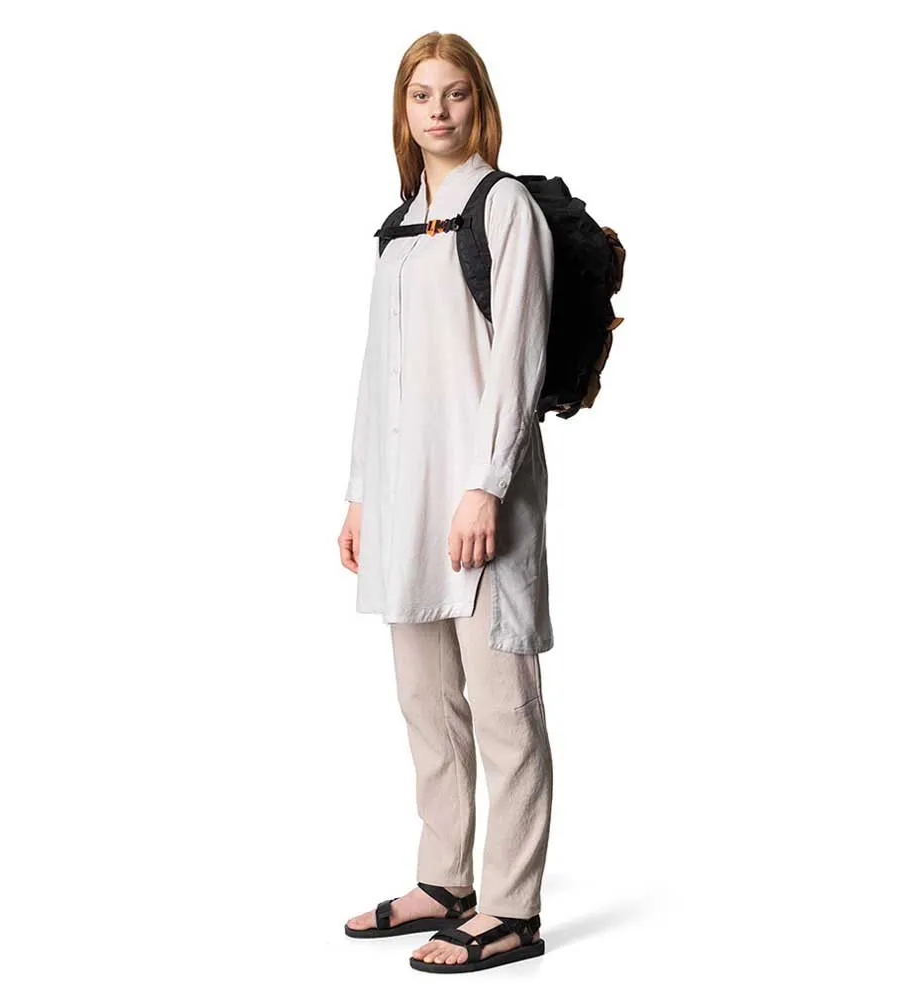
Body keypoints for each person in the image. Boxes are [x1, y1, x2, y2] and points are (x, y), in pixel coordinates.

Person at [338, 32, 555, 974]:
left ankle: (510, 907)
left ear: (479, 104)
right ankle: (446, 880)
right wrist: (359, 496)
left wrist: (487, 484)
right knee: (427, 704)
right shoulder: (397, 229)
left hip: (478, 505)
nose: (438, 110)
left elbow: (518, 359)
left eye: (455, 93)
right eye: (421, 94)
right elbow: (377, 374)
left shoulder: (503, 208)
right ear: (403, 110)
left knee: (502, 707)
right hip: (404, 503)